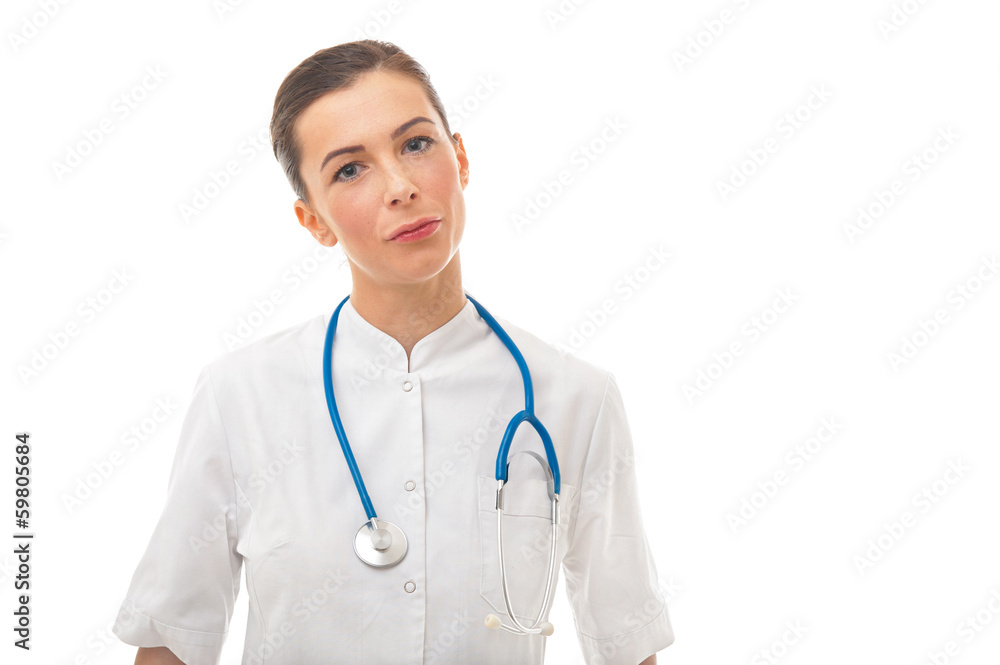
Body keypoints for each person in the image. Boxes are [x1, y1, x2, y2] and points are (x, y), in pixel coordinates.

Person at [113, 39, 674, 665]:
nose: (401, 187)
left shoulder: (576, 398)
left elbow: (626, 643)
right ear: (314, 221)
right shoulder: (238, 396)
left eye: (416, 144)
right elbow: (173, 642)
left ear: (459, 157)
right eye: (350, 170)